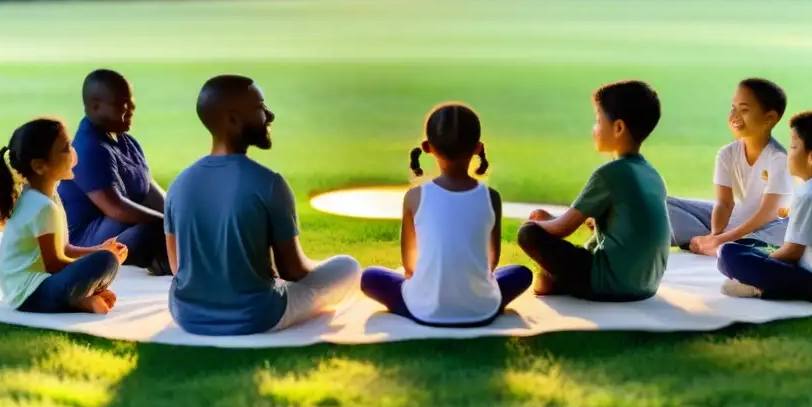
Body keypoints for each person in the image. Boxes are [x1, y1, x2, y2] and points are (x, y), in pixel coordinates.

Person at [165, 75, 361, 335]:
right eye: (260, 108)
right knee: (348, 267)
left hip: (187, 315)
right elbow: (292, 271)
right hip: (257, 315)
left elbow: (177, 267)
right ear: (233, 119)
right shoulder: (269, 183)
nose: (269, 116)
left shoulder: (179, 184)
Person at [360, 103, 533, 326]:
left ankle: (433, 301)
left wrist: (428, 281)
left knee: (369, 278)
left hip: (425, 309)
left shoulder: (415, 196)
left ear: (427, 147)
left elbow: (409, 266)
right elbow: (491, 264)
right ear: (478, 148)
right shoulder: (492, 197)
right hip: (481, 308)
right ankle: (474, 300)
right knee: (521, 274)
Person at [517, 80, 670, 302]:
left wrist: (536, 224)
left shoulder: (610, 174)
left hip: (609, 283)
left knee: (528, 234)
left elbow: (563, 228)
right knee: (582, 235)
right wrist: (549, 220)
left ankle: (554, 279)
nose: (594, 128)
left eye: (598, 120)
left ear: (618, 128)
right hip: (647, 285)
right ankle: (556, 279)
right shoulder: (653, 175)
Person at [718, 111, 812, 302]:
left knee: (729, 254)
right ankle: (760, 281)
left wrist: (760, 266)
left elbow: (792, 252)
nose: (787, 153)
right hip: (807, 271)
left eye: (793, 147)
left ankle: (758, 288)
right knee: (744, 246)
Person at [0, 118, 127, 314]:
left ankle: (83, 298)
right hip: (31, 295)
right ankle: (80, 300)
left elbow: (64, 249)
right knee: (106, 262)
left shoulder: (45, 195)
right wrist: (104, 257)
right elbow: (54, 265)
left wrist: (101, 248)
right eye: (65, 148)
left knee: (105, 257)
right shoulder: (42, 206)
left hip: (23, 291)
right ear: (40, 166)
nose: (72, 153)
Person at [58, 69, 171, 275]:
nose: (130, 109)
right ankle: (167, 258)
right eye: (121, 104)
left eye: (131, 101)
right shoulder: (88, 147)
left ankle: (166, 256)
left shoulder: (127, 142)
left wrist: (182, 217)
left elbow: (150, 191)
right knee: (154, 230)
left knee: (174, 222)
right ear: (94, 106)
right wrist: (167, 224)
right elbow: (116, 209)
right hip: (88, 243)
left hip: (119, 229)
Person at [667, 78, 794, 257]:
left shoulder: (778, 159)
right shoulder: (727, 154)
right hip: (733, 221)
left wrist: (720, 240)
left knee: (787, 231)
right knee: (663, 205)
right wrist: (715, 235)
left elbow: (768, 214)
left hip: (768, 228)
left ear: (769, 118)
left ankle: (721, 246)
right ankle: (715, 244)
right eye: (733, 108)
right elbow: (724, 203)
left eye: (744, 110)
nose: (735, 116)